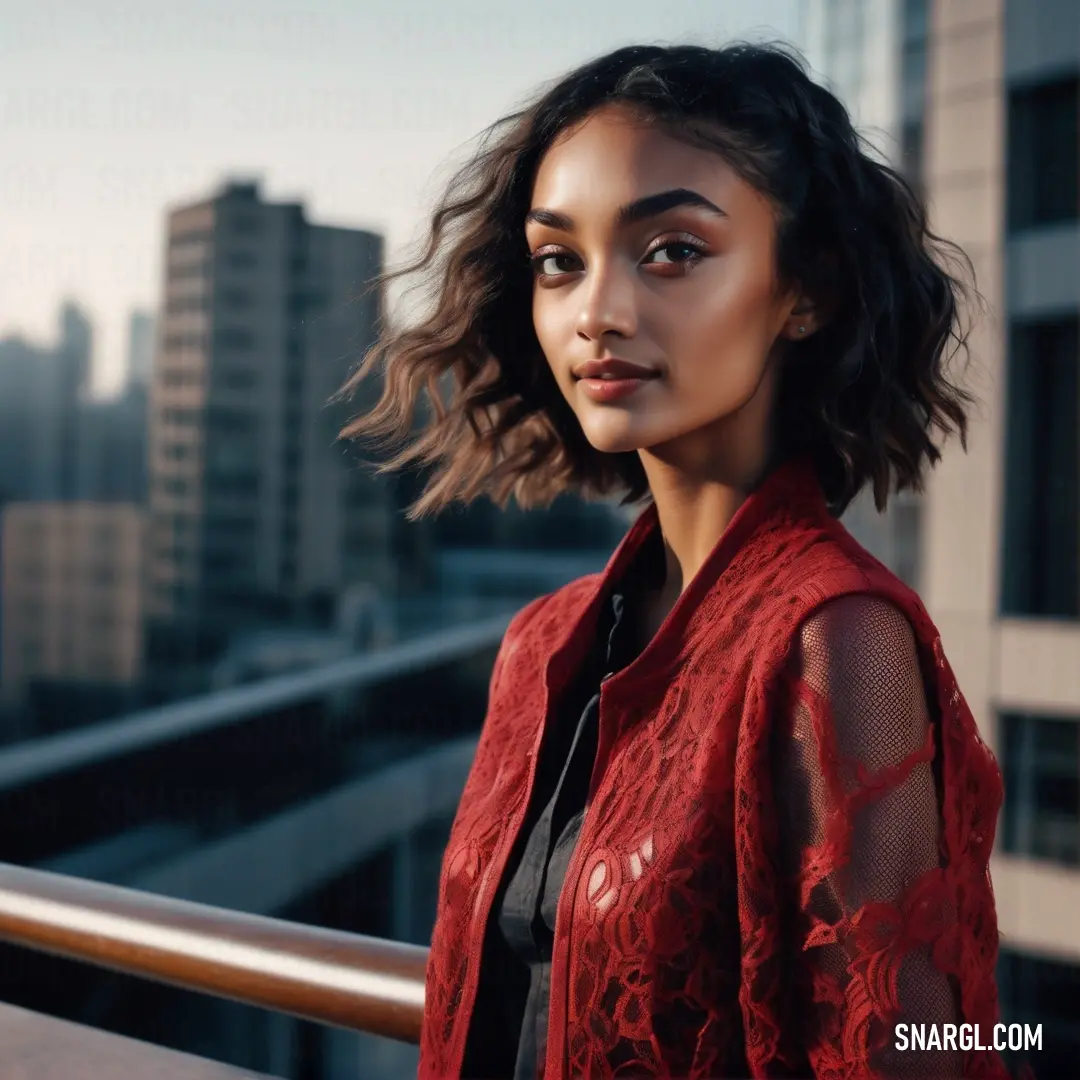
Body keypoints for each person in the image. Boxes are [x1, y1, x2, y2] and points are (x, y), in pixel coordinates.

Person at [339, 42, 1013, 1080]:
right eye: (559, 260)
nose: (595, 312)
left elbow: (924, 1045)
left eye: (672, 252)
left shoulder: (838, 641)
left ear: (807, 289)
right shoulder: (543, 643)